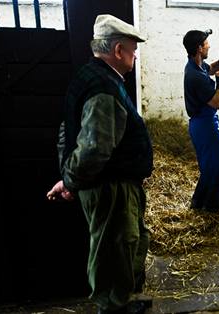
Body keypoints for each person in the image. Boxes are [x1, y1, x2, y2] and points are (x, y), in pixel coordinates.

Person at [46, 14, 153, 314]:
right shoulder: (104, 88)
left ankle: (120, 303)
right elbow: (94, 148)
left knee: (124, 247)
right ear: (118, 51)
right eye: (133, 48)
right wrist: (70, 181)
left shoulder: (92, 77)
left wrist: (69, 178)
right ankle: (112, 308)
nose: (135, 54)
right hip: (111, 190)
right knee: (114, 251)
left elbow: (68, 131)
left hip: (108, 185)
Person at [183, 29, 219, 214]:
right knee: (218, 167)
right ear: (199, 48)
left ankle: (197, 203)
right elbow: (217, 102)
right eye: (206, 43)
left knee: (209, 166)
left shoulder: (196, 65)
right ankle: (212, 208)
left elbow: (210, 68)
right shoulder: (195, 77)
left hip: (203, 122)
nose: (209, 45)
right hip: (205, 124)